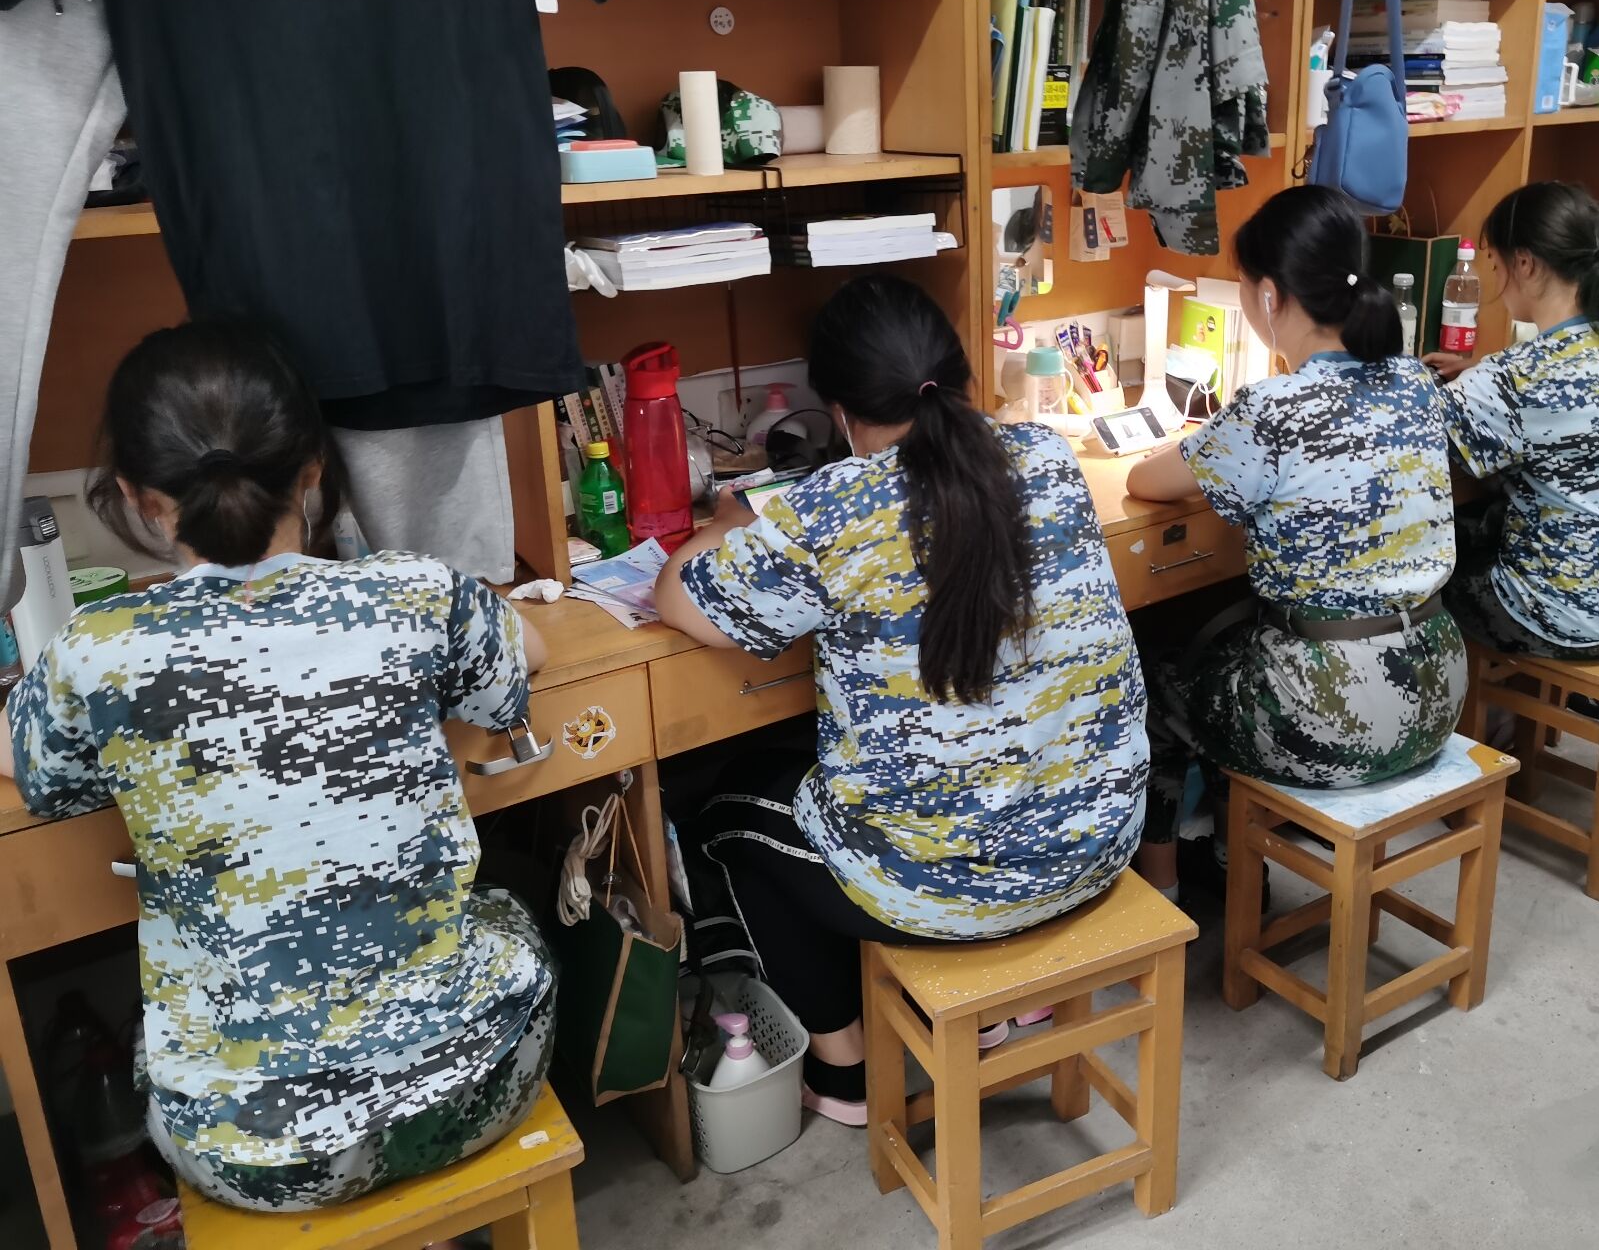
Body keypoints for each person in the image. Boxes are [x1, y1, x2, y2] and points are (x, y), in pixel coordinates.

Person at [0, 324, 552, 1217]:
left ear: (137, 498)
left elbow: (27, 765)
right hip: (478, 1089)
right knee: (507, 912)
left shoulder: (96, 653)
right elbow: (528, 655)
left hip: (252, 1159)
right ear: (314, 470)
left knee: (161, 1028)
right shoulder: (414, 593)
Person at [654, 274, 1147, 1128]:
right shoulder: (1046, 457)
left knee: (726, 814)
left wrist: (731, 525)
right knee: (868, 772)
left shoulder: (828, 510)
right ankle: (991, 1009)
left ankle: (845, 1073)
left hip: (953, 889)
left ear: (840, 411)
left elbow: (679, 601)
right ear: (955, 375)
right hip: (1095, 841)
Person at [1124, 186, 1465, 894]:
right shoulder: (1415, 381)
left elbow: (1147, 482)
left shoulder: (1273, 409)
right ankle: (1232, 857)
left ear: (1268, 296)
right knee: (1234, 653)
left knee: (1157, 684)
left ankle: (1164, 889)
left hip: (1334, 714)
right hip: (1437, 686)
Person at [1426, 182, 1599, 659]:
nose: (1496, 279)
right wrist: (1482, 370)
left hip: (1570, 616)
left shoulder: (1513, 379)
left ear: (1524, 263)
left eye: (1495, 264)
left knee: (1420, 567)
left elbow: (1414, 439)